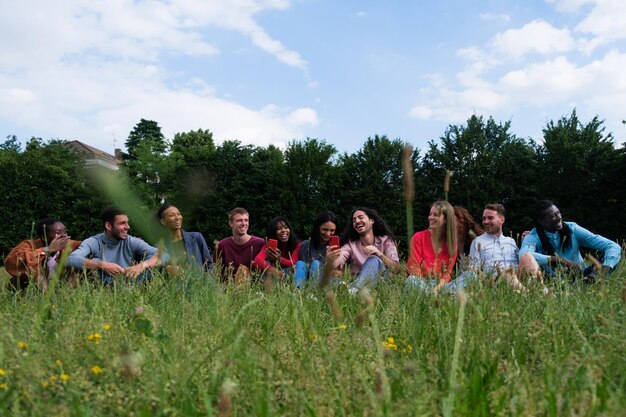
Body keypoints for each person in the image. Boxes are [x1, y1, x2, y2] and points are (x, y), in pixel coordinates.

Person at [519, 200, 621, 280]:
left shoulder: (573, 229)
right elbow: (524, 256)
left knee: (612, 252)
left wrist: (605, 269)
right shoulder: (532, 237)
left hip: (583, 275)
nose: (558, 217)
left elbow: (612, 246)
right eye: (552, 216)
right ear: (542, 221)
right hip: (556, 281)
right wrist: (559, 259)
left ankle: (594, 280)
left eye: (558, 213)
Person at [68, 206, 166, 285]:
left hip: (133, 281)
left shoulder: (131, 241)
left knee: (151, 258)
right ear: (108, 226)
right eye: (122, 223)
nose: (128, 227)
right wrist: (102, 265)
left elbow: (164, 254)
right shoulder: (94, 242)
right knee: (96, 261)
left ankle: (129, 289)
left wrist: (142, 265)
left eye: (127, 222)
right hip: (106, 285)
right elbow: (70, 259)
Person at [448, 203, 524, 291]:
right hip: (494, 283)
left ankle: (537, 291)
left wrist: (524, 242)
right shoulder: (478, 242)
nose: (486, 221)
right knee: (507, 274)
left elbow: (521, 264)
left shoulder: (511, 241)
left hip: (516, 279)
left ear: (502, 220)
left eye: (490, 218)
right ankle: (527, 293)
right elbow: (473, 271)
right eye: (484, 218)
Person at [327, 207, 400, 292]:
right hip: (359, 283)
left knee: (373, 260)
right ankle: (352, 290)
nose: (357, 221)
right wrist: (331, 259)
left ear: (372, 221)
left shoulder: (386, 240)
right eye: (354, 220)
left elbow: (397, 269)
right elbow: (340, 259)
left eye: (361, 217)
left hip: (381, 285)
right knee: (327, 273)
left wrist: (380, 254)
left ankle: (352, 290)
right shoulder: (351, 244)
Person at [5, 218, 81, 290]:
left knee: (78, 267)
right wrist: (48, 249)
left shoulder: (69, 245)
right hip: (32, 289)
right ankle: (47, 299)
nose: (64, 235)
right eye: (58, 233)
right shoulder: (29, 245)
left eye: (65, 231)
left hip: (60, 286)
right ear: (43, 237)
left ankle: (65, 296)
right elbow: (13, 260)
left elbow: (88, 245)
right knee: (34, 272)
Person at [406, 200, 458, 292]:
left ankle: (435, 295)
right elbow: (414, 268)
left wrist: (437, 288)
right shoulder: (418, 237)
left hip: (441, 285)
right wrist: (428, 288)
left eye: (435, 215)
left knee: (470, 275)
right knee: (412, 280)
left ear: (446, 219)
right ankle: (435, 296)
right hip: (421, 282)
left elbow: (447, 274)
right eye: (430, 214)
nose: (430, 217)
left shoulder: (452, 244)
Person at [156, 203, 212, 274]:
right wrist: (167, 270)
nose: (177, 217)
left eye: (179, 214)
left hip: (199, 283)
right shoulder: (161, 246)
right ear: (163, 222)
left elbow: (209, 264)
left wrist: (206, 283)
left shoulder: (196, 237)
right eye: (171, 215)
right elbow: (158, 270)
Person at [213, 207, 265, 284]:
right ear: (231, 223)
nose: (244, 223)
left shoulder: (260, 243)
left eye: (246, 220)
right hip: (229, 289)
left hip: (255, 288)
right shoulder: (222, 245)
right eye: (239, 220)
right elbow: (217, 273)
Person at [254, 216, 303, 286]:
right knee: (267, 263)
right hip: (274, 275)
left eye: (286, 227)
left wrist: (279, 259)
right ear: (274, 232)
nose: (283, 230)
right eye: (279, 229)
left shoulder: (296, 244)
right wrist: (274, 271)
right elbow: (257, 260)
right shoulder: (269, 245)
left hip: (289, 275)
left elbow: (294, 263)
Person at [295, 211, 339, 286]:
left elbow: (337, 273)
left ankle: (314, 294)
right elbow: (302, 269)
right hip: (306, 279)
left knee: (316, 264)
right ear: (317, 228)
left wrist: (328, 260)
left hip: (323, 282)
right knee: (300, 263)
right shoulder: (306, 245)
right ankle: (297, 291)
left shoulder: (335, 248)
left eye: (332, 230)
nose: (328, 234)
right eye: (324, 229)